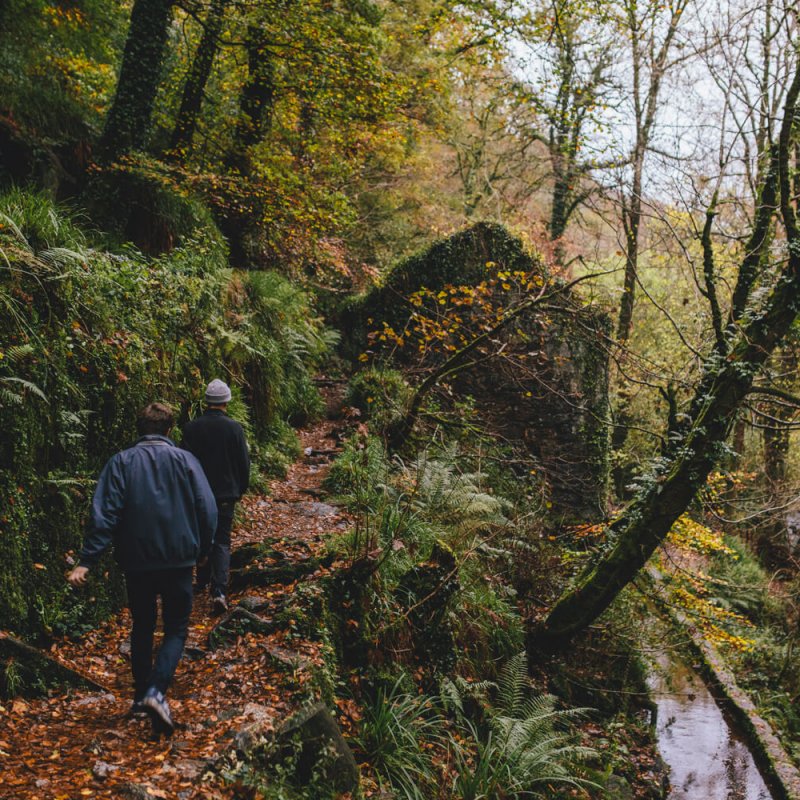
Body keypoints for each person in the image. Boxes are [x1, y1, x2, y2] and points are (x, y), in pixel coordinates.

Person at [67, 402, 217, 735]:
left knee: (143, 624)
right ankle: (156, 691)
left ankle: (140, 697)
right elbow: (206, 508)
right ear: (169, 429)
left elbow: (104, 513)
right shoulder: (185, 461)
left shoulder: (121, 463)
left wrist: (88, 560)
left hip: (136, 562)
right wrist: (204, 550)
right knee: (177, 627)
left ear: (140, 429)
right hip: (179, 559)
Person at [182, 379, 250, 614]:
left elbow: (185, 464)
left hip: (197, 494)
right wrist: (240, 489)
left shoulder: (191, 428)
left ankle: (201, 581)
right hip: (225, 494)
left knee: (201, 536)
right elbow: (243, 463)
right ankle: (219, 591)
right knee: (221, 541)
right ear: (227, 401)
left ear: (207, 401)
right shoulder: (234, 429)